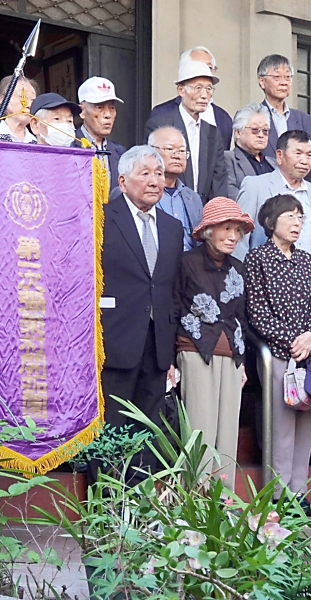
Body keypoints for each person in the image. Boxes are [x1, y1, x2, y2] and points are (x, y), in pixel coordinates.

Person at [96, 145, 184, 485]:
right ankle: (107, 502)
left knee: (149, 425)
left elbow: (171, 289)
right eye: (144, 173)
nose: (154, 181)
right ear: (122, 179)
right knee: (112, 422)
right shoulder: (101, 219)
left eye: (159, 174)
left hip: (157, 341)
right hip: (114, 338)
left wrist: (172, 351)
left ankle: (139, 500)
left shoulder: (174, 228)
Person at [244, 194, 311, 504]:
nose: (296, 223)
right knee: (280, 424)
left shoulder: (305, 260)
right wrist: (292, 341)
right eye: (290, 217)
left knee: (306, 422)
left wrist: (308, 337)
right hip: (278, 354)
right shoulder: (258, 259)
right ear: (270, 222)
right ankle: (278, 494)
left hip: (308, 354)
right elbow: (257, 312)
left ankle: (299, 492)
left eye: (300, 218)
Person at [174, 197, 254, 489]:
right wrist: (171, 362)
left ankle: (224, 500)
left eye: (237, 231)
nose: (233, 236)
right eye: (226, 229)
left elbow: (241, 318)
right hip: (195, 351)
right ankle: (194, 499)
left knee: (227, 432)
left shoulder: (239, 267)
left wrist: (242, 362)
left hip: (231, 356)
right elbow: (174, 309)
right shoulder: (187, 263)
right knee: (200, 429)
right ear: (209, 230)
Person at [234, 130, 311, 286]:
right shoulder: (255, 186)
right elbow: (240, 241)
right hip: (266, 286)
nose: (305, 160)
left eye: (309, 155)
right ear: (280, 156)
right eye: (298, 153)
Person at [144, 61, 228, 204]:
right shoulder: (160, 126)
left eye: (209, 89)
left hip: (202, 212)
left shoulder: (213, 133)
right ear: (181, 90)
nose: (204, 95)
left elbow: (218, 180)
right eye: (198, 88)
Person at [149, 46, 234, 151]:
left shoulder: (223, 118)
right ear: (181, 89)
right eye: (198, 87)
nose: (205, 71)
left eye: (210, 67)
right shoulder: (161, 114)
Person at [149, 126, 204, 252]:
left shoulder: (192, 197)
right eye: (170, 149)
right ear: (151, 151)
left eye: (182, 151)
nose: (177, 156)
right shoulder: (141, 192)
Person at [257, 54, 311, 157]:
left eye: (288, 77)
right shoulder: (253, 116)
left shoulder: (303, 119)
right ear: (261, 81)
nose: (284, 83)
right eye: (277, 77)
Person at [77, 76, 127, 190]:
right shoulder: (69, 147)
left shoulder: (120, 153)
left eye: (112, 108)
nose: (108, 115)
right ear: (82, 111)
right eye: (99, 107)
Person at [225, 103, 277, 199]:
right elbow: (231, 194)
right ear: (238, 132)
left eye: (265, 130)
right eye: (255, 130)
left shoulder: (274, 163)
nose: (261, 135)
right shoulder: (228, 159)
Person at [0, 75, 38, 143]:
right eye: (22, 97)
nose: (30, 105)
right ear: (4, 101)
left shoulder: (36, 142)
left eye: (33, 99)